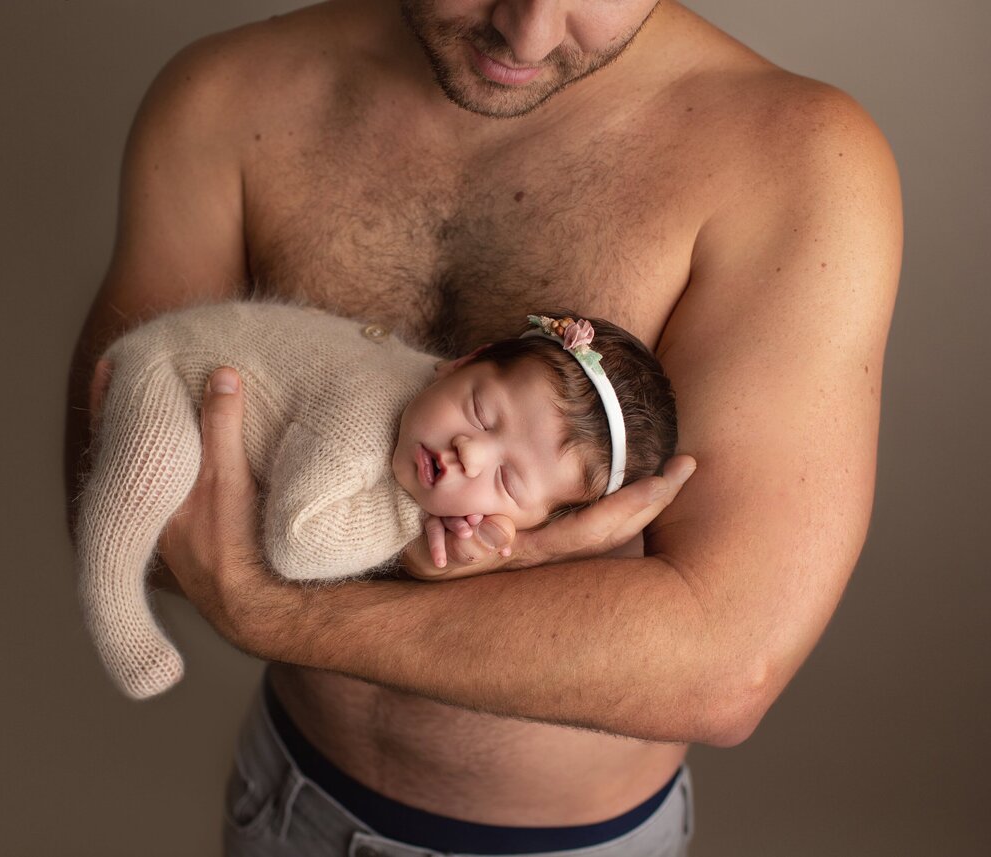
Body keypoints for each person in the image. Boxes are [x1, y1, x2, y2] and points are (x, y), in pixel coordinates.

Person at [64, 1, 901, 854]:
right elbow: (119, 483)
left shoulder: (796, 160)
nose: (528, 32)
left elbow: (726, 666)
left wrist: (276, 614)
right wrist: (521, 554)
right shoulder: (227, 98)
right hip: (290, 801)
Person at [78, 302, 676, 701]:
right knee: (153, 468)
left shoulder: (426, 416)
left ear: (524, 521)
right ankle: (109, 591)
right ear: (461, 365)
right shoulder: (364, 419)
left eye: (509, 483)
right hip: (171, 368)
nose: (470, 452)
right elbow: (298, 543)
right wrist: (412, 518)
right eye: (479, 411)